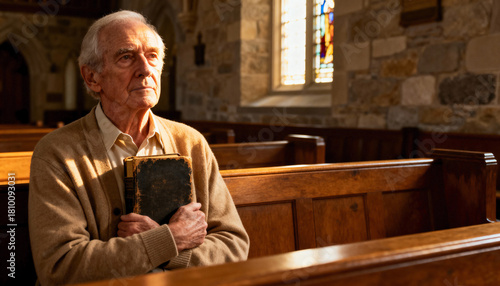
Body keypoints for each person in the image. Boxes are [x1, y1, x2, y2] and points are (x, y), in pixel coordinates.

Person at [28, 10, 249, 285]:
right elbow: (60, 266)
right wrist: (170, 239)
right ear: (92, 78)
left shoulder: (191, 142)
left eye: (153, 56)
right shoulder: (56, 153)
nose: (146, 69)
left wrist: (170, 251)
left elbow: (234, 245)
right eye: (126, 57)